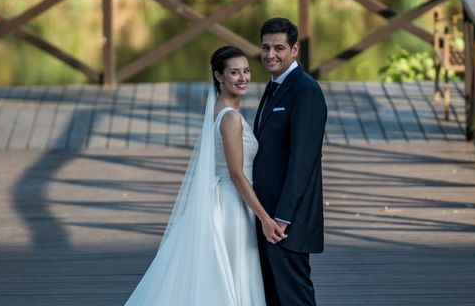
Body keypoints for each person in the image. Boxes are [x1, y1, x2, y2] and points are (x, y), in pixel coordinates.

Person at [125, 46, 284, 305]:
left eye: (246, 70)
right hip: (232, 205)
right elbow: (236, 174)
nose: (243, 78)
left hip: (222, 198)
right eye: (234, 72)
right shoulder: (230, 118)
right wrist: (265, 218)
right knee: (233, 273)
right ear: (219, 76)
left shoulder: (221, 108)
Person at [253, 17, 328, 306]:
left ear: (294, 50)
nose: (271, 54)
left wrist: (281, 218)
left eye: (279, 48)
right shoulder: (275, 86)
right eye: (265, 47)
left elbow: (302, 161)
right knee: (274, 296)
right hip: (268, 216)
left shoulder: (305, 91)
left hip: (287, 222)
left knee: (295, 298)